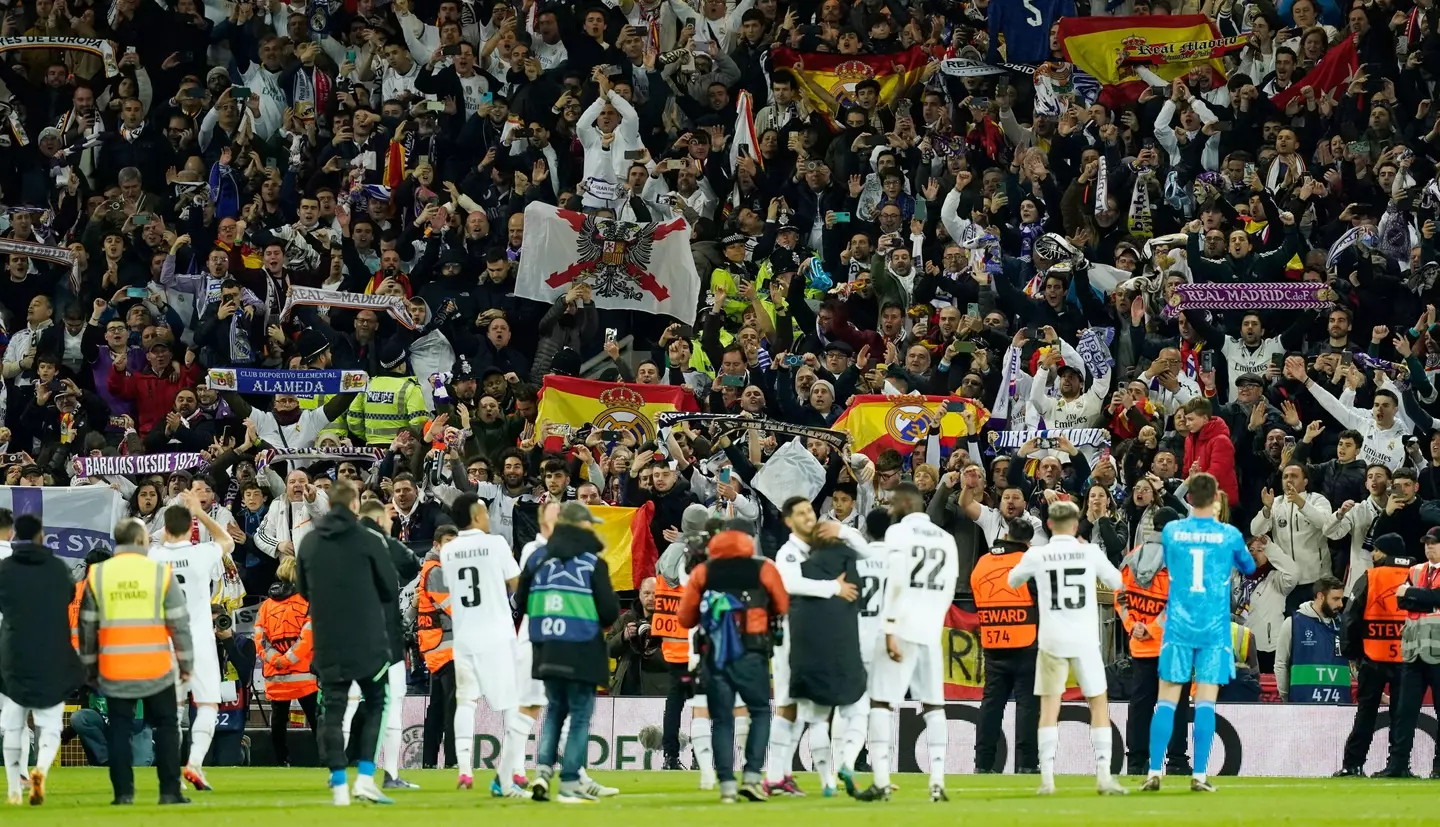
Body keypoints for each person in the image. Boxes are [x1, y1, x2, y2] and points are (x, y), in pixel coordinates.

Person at [1143, 473, 1255, 792]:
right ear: (1216, 500)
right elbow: (1248, 567)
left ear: (1189, 498)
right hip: (1213, 629)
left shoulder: (1173, 531)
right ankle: (1200, 775)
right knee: (1205, 703)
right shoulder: (1229, 534)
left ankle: (1154, 771)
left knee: (1166, 700)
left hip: (1178, 626)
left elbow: (1160, 564)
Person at [1007, 500, 1127, 795]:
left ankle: (1047, 778)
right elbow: (1117, 581)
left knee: (1049, 708)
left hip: (1051, 640)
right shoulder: (1090, 552)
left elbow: (1012, 581)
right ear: (1076, 526)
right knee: (1098, 704)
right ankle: (1103, 775)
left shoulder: (1038, 553)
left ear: (1048, 525)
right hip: (1085, 638)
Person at [295, 479, 400, 806]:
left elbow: (302, 589)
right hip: (368, 640)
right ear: (354, 505)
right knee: (376, 704)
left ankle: (339, 785)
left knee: (334, 711)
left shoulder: (310, 542)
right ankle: (366, 779)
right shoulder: (369, 539)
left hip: (328, 641)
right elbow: (389, 587)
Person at [77, 517, 194, 806]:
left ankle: (123, 794)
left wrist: (90, 668)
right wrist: (186, 663)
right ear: (141, 541)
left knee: (118, 729)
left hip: (115, 668)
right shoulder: (159, 573)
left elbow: (87, 627)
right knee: (167, 727)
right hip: (156, 667)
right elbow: (179, 623)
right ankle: (169, 792)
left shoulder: (98, 575)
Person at [854, 483, 958, 803]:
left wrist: (888, 629)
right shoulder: (947, 539)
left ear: (907, 502)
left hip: (900, 626)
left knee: (882, 703)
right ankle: (938, 783)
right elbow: (951, 586)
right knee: (934, 706)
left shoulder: (898, 533)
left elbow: (897, 580)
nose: (889, 507)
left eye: (893, 501)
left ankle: (882, 781)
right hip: (930, 630)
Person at [516, 501, 620, 804]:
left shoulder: (537, 558)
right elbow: (609, 612)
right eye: (589, 524)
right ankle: (571, 782)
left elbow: (521, 602)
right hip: (582, 649)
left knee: (554, 713)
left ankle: (544, 773)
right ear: (580, 525)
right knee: (579, 717)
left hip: (546, 648)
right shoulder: (592, 563)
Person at [678, 521, 789, 804]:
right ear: (748, 541)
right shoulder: (764, 568)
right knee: (761, 711)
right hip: (752, 653)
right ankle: (752, 777)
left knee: (722, 720)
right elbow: (782, 605)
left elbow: (685, 618)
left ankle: (726, 784)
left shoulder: (704, 572)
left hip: (715, 656)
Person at [767, 496, 863, 797]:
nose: (808, 516)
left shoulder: (823, 546)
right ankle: (773, 775)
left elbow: (865, 551)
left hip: (814, 635)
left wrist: (842, 531)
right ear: (788, 521)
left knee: (798, 707)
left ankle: (780, 775)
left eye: (810, 510)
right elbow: (791, 584)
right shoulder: (788, 552)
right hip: (790, 636)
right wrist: (835, 587)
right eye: (800, 513)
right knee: (786, 702)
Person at [441, 493, 530, 798]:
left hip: (465, 635)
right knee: (510, 702)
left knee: (466, 701)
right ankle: (516, 769)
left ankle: (465, 769)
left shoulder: (448, 551)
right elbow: (518, 585)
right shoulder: (496, 544)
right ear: (476, 516)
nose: (489, 517)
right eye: (485, 512)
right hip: (497, 634)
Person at [146, 489, 235, 792]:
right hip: (198, 641)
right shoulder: (201, 553)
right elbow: (228, 541)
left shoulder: (153, 557)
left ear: (165, 529)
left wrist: (172, 513)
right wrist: (200, 512)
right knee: (208, 704)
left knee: (173, 711)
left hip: (165, 643)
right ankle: (194, 764)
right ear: (191, 527)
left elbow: (143, 541)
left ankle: (172, 773)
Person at [0, 515, 83, 805]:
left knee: (14, 723)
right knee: (49, 724)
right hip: (52, 652)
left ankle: (13, 788)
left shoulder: (4, 570)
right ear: (41, 535)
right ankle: (41, 770)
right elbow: (69, 595)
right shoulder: (58, 569)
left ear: (15, 534)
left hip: (14, 653)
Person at [1117, 507, 1193, 777]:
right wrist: (1152, 628)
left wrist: (1133, 626)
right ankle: (1175, 761)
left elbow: (1120, 597)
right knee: (1175, 704)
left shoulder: (1130, 558)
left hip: (1140, 646)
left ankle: (1136, 762)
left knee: (1140, 705)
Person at [1335, 534, 1411, 777]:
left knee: (1366, 712)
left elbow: (1351, 617)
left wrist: (1352, 652)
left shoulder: (1370, 577)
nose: (1373, 555)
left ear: (1386, 552)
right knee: (1402, 716)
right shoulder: (1416, 575)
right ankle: (1398, 766)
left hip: (1373, 655)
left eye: (1376, 550)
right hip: (1407, 658)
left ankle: (1353, 764)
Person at [970, 518, 1039, 775]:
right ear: (1028, 542)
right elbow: (1039, 598)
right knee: (1028, 705)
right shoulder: (1029, 561)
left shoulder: (983, 562)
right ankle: (1027, 763)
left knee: (991, 705)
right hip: (1026, 642)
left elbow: (976, 592)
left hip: (993, 641)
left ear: (1006, 534)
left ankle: (983, 763)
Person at [1376, 527, 1440, 779]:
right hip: (1413, 652)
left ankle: (1438, 768)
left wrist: (1416, 594)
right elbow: (1400, 600)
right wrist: (1427, 598)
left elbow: (1432, 596)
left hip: (1437, 652)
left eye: (1434, 543)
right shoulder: (1416, 570)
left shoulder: (1415, 575)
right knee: (1404, 711)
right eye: (1426, 543)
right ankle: (1398, 765)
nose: (1429, 547)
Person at [253, 556, 319, 768]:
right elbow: (308, 637)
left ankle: (281, 761)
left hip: (275, 676)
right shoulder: (308, 602)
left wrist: (277, 660)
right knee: (317, 720)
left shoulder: (265, 606)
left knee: (278, 721)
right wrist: (289, 659)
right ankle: (326, 761)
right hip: (303, 676)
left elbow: (260, 639)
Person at [417, 526, 460, 770]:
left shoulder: (435, 570)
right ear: (436, 545)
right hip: (446, 646)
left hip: (438, 644)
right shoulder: (437, 571)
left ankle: (429, 761)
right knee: (452, 705)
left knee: (438, 705)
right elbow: (453, 607)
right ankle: (453, 760)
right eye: (447, 542)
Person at [1274, 576, 1347, 702]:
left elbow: (1355, 665)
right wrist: (1286, 699)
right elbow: (1281, 664)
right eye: (1336, 599)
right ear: (1320, 596)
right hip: (1303, 705)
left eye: (1341, 599)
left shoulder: (1344, 625)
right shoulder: (1292, 623)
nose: (1341, 604)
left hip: (1340, 704)